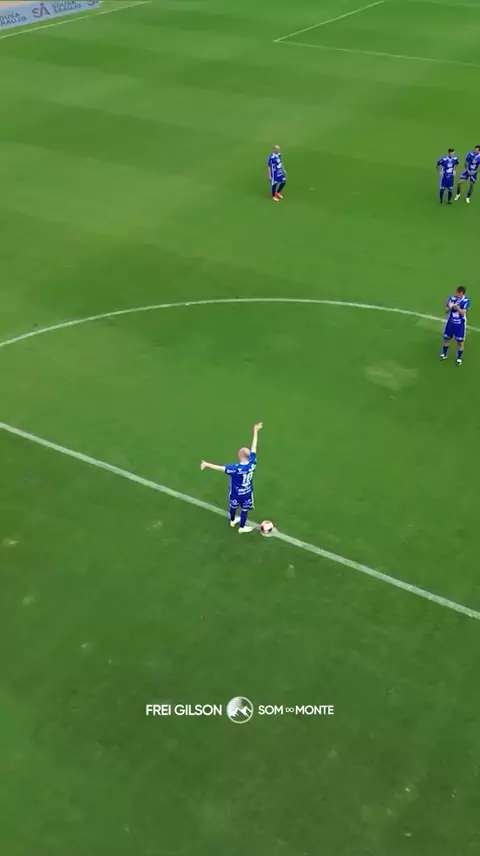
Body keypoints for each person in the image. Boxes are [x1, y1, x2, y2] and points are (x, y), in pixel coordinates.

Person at [200, 422, 263, 533]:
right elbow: (254, 447)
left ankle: (232, 520)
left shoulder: (235, 468)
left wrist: (206, 464)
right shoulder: (252, 463)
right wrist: (255, 431)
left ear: (240, 456)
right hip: (246, 492)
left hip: (235, 492)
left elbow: (220, 468)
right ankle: (242, 527)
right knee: (244, 509)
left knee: (233, 506)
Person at [440, 286, 470, 366]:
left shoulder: (466, 300)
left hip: (460, 324)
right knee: (446, 338)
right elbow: (446, 311)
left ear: (462, 293)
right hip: (450, 323)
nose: (457, 295)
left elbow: (463, 312)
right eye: (457, 293)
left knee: (460, 342)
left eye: (459, 293)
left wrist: (456, 307)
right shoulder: (452, 298)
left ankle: (459, 358)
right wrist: (450, 307)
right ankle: (444, 354)